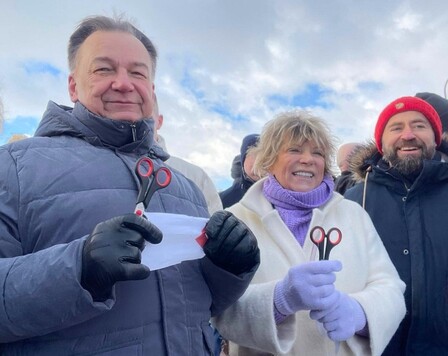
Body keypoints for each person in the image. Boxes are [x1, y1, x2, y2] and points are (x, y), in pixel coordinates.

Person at [0, 15, 260, 355]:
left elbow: (203, 304)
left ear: (151, 89)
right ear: (73, 86)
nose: (124, 83)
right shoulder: (13, 168)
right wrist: (78, 269)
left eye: (137, 72)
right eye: (104, 69)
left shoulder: (184, 186)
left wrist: (232, 269)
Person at [212, 110, 406, 355]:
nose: (308, 159)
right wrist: (278, 300)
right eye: (294, 150)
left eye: (317, 153)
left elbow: (389, 285)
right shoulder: (236, 219)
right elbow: (219, 306)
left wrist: (361, 312)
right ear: (270, 159)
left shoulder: (353, 214)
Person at [345, 96, 448, 355]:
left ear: (436, 138)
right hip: (377, 347)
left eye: (419, 126)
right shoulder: (356, 199)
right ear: (381, 142)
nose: (408, 135)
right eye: (396, 127)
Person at [152, 93, 223, 215]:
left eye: (143, 111)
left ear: (159, 121)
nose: (132, 117)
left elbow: (215, 229)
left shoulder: (196, 177)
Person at [220, 133, 260, 208]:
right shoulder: (221, 199)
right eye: (254, 154)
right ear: (243, 159)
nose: (260, 162)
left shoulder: (281, 196)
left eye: (266, 157)